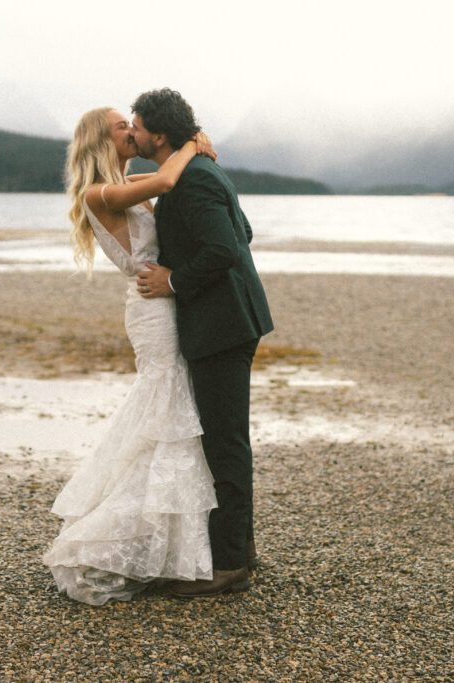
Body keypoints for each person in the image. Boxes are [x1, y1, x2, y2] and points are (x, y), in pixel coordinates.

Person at [42, 107, 219, 605]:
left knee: (168, 412)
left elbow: (169, 201)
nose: (131, 132)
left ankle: (166, 547)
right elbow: (167, 179)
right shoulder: (98, 192)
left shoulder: (129, 182)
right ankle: (133, 539)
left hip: (162, 300)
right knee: (166, 412)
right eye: (122, 126)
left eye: (132, 124)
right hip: (151, 308)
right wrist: (192, 142)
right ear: (102, 140)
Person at [131, 88, 274, 598]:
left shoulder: (193, 178)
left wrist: (172, 280)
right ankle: (240, 549)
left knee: (225, 441)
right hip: (229, 320)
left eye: (138, 126)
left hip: (223, 326)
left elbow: (225, 249)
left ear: (159, 134)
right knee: (224, 437)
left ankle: (231, 563)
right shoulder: (197, 172)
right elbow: (245, 232)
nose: (134, 133)